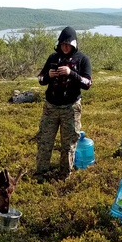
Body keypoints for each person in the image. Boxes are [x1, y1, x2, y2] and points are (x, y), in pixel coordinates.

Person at [34, 26, 92, 182]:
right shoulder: (53, 58)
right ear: (59, 44)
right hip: (50, 107)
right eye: (62, 44)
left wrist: (70, 73)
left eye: (68, 44)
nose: (65, 47)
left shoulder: (82, 59)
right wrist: (48, 76)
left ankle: (64, 175)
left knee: (68, 143)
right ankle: (40, 173)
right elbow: (40, 79)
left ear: (74, 44)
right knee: (45, 141)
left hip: (71, 108)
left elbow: (87, 83)